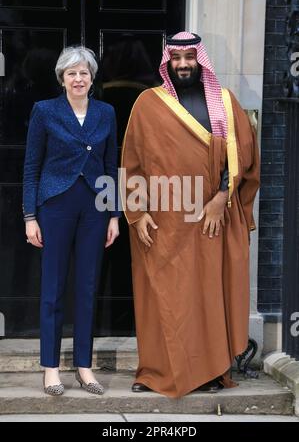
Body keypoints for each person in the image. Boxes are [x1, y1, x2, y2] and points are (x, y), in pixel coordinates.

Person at [121, 31, 260, 398]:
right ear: (168, 62)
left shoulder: (225, 104)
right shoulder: (147, 104)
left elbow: (242, 158)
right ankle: (153, 372)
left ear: (201, 61)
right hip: (162, 221)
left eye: (190, 57)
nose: (184, 64)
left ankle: (211, 371)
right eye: (177, 58)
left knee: (206, 296)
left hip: (210, 221)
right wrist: (137, 213)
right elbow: (132, 163)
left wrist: (220, 199)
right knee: (160, 297)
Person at [23, 46, 120, 396]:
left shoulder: (106, 112)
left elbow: (112, 166)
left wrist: (114, 215)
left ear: (92, 78)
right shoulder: (45, 111)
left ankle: (84, 366)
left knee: (87, 287)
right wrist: (30, 216)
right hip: (56, 206)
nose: (78, 79)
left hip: (95, 208)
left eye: (84, 73)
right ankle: (50, 368)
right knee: (52, 288)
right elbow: (32, 167)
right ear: (62, 78)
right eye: (72, 73)